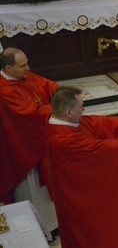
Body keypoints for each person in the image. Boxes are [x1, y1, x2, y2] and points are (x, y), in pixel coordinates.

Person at [45, 86, 118, 248]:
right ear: (69, 112)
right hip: (79, 197)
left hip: (84, 187)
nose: (83, 111)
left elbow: (98, 123)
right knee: (92, 235)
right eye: (81, 108)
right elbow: (105, 150)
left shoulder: (64, 121)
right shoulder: (62, 139)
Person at [0, 47, 59, 235]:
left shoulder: (25, 76)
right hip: (25, 148)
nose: (28, 68)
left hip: (39, 141)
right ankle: (40, 230)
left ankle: (54, 224)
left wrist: (64, 94)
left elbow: (48, 85)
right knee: (34, 191)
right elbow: (30, 113)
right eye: (23, 65)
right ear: (9, 68)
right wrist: (57, 107)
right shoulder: (4, 91)